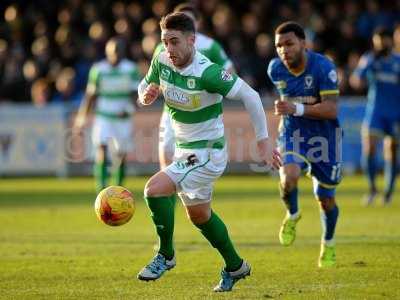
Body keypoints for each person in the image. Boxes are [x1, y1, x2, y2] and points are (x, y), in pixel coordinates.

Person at [136, 12, 281, 292]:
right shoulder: (162, 61)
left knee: (154, 189)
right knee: (200, 216)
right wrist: (145, 94)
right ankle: (236, 266)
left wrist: (263, 141)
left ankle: (165, 255)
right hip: (185, 153)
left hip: (208, 153)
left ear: (192, 40)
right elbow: (144, 85)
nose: (169, 49)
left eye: (175, 42)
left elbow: (250, 96)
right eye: (165, 42)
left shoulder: (207, 72)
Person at [267, 22, 342, 268]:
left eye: (289, 44)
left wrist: (296, 107)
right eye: (279, 45)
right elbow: (285, 100)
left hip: (325, 138)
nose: (283, 50)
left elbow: (331, 110)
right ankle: (293, 214)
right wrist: (287, 109)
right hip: (293, 133)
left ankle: (328, 243)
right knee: (288, 176)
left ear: (303, 43)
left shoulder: (323, 67)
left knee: (325, 199)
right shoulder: (275, 69)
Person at [154, 3, 235, 170]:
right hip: (172, 109)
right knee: (166, 152)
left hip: (200, 113)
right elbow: (155, 76)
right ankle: (169, 193)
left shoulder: (210, 46)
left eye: (187, 20)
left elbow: (229, 70)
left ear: (197, 23)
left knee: (196, 161)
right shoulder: (163, 46)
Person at [74, 37, 141, 193]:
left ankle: (118, 188)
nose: (115, 54)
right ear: (107, 51)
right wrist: (81, 117)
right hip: (103, 116)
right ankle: (101, 190)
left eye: (118, 50)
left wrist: (129, 110)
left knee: (120, 154)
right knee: (101, 148)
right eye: (113, 51)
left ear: (123, 52)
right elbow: (91, 95)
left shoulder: (130, 69)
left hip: (122, 117)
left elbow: (136, 95)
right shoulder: (99, 69)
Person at [350, 27, 399, 205]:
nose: (380, 45)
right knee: (369, 148)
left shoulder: (397, 61)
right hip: (375, 112)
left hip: (395, 113)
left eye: (383, 41)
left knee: (391, 151)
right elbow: (356, 81)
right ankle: (372, 189)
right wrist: (367, 66)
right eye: (377, 41)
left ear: (389, 41)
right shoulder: (370, 59)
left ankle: (388, 192)